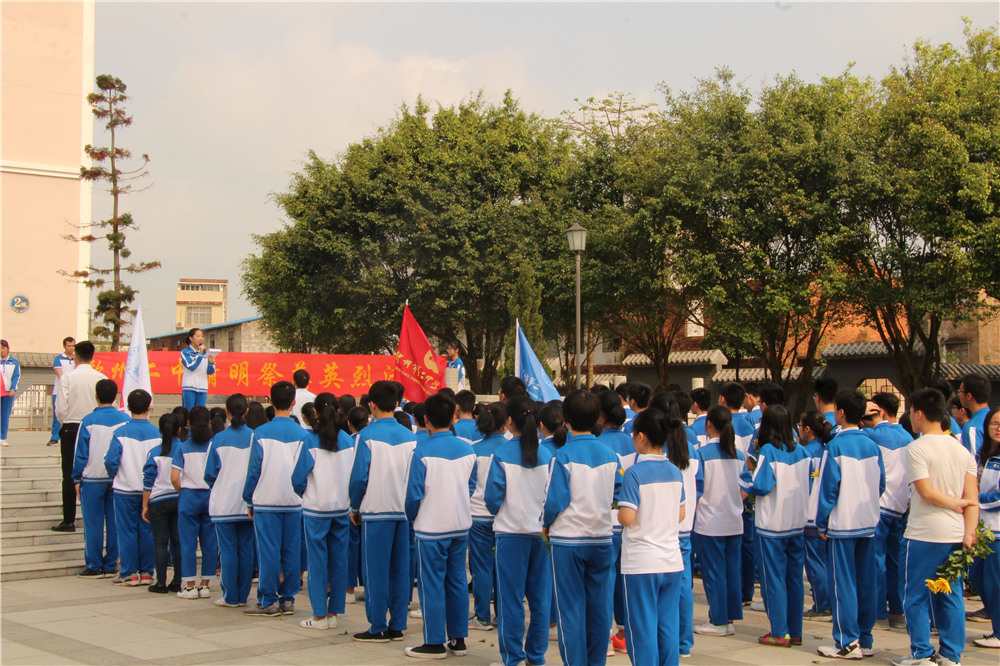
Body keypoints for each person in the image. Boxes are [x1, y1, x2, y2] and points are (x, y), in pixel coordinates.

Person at [890, 388, 979, 666]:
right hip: (954, 534)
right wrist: (969, 533)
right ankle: (951, 655)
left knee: (914, 596)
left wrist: (952, 503)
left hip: (924, 533)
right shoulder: (961, 449)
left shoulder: (917, 447)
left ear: (918, 413)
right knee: (949, 595)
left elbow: (925, 491)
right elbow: (972, 499)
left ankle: (922, 653)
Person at [544, 389, 621, 666]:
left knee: (571, 610)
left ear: (565, 419)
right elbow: (618, 492)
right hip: (601, 538)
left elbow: (554, 502)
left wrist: (545, 524)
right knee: (600, 608)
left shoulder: (562, 457)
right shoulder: (612, 456)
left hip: (568, 540)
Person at [403, 391, 476, 659]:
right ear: (454, 416)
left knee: (431, 583)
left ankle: (434, 642)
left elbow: (413, 496)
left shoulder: (420, 452)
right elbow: (471, 485)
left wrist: (412, 518)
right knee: (456, 580)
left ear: (426, 420)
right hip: (459, 525)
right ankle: (458, 639)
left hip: (431, 527)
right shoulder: (468, 449)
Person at [815, 389, 885, 660]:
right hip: (868, 522)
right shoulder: (872, 445)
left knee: (842, 583)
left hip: (842, 524)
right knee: (866, 581)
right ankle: (865, 638)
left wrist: (822, 522)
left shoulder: (834, 446)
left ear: (841, 413)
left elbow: (828, 490)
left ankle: (847, 641)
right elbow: (881, 484)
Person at [485, 395, 553, 666]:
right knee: (540, 599)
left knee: (510, 600)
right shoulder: (547, 454)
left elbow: (492, 498)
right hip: (540, 535)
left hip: (510, 534)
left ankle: (513, 657)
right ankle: (535, 656)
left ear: (509, 421)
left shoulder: (501, 454)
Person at [348, 379, 418, 642]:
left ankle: (377, 625)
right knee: (401, 570)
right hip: (403, 512)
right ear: (397, 404)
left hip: (376, 511)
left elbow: (358, 479)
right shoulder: (411, 438)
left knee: (375, 571)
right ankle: (398, 624)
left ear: (371, 405)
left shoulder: (365, 436)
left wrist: (355, 506)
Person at [619, 408, 686, 666]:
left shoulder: (635, 473)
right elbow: (680, 514)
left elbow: (627, 517)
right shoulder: (674, 471)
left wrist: (614, 515)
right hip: (671, 560)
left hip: (641, 563)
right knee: (667, 626)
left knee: (642, 628)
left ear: (641, 437)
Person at [739, 405, 810, 647]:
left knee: (773, 579)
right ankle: (795, 629)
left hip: (772, 524)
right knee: (794, 578)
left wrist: (745, 483)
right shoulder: (802, 451)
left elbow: (761, 486)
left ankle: (779, 631)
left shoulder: (768, 450)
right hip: (796, 522)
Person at [242, 381, 311, 617]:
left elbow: (253, 471)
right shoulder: (303, 434)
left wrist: (248, 499)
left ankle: (268, 599)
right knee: (291, 550)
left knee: (268, 551)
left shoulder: (260, 433)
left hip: (266, 500)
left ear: (270, 401)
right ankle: (288, 599)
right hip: (294, 503)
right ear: (293, 402)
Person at [299, 393, 356, 629]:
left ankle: (319, 615)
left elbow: (297, 478)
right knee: (339, 560)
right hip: (341, 509)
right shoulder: (349, 441)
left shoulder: (310, 440)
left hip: (316, 509)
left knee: (318, 562)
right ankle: (333, 613)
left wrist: (306, 492)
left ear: (316, 413)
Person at [693, 405, 746, 637]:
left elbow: (698, 488)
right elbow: (747, 487)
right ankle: (729, 619)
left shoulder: (702, 453)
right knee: (732, 571)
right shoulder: (739, 455)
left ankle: (718, 620)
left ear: (708, 424)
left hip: (710, 521)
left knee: (714, 573)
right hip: (734, 520)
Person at [864, 392, 913, 628]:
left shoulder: (872, 435)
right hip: (901, 507)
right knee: (895, 562)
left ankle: (877, 611)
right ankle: (897, 610)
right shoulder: (908, 437)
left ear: (879, 411)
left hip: (880, 507)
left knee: (876, 561)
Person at [72, 379, 130, 578]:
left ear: (96, 396)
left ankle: (94, 564)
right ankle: (112, 562)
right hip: (117, 479)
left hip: (92, 477)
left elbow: (80, 453)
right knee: (114, 522)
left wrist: (76, 478)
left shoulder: (87, 421)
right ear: (115, 397)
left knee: (93, 523)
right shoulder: (125, 420)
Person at [204, 393, 255, 608]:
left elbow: (209, 474)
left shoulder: (218, 440)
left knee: (227, 552)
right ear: (246, 411)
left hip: (224, 504)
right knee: (246, 550)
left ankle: (230, 596)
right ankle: (242, 596)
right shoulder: (255, 437)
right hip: (248, 506)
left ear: (227, 412)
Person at [104, 389, 159, 586]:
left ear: (127, 407)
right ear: (149, 407)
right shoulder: (156, 433)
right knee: (147, 530)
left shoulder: (120, 433)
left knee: (126, 531)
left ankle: (129, 572)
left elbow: (111, 461)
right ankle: (146, 572)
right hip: (150, 491)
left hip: (125, 489)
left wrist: (117, 475)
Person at [598, 389, 636, 654]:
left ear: (600, 414)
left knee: (604, 578)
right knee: (624, 578)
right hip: (630, 521)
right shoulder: (634, 442)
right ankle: (623, 633)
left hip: (606, 521)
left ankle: (605, 636)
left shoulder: (598, 444)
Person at [55, 340, 107, 532]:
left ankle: (68, 520)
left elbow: (60, 408)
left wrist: (64, 422)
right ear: (93, 356)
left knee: (68, 473)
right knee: (92, 472)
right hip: (95, 426)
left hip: (72, 426)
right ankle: (94, 519)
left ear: (75, 355)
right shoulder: (101, 377)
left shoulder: (68, 378)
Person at [172, 406, 218, 599]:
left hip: (189, 496)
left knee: (188, 543)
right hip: (209, 495)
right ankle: (205, 585)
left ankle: (189, 585)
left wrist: (182, 490)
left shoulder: (182, 447)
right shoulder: (214, 446)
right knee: (209, 543)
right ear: (209, 423)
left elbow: (175, 477)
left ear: (188, 424)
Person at [469, 402, 506, 632]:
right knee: (502, 568)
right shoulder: (511, 449)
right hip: (503, 517)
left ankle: (482, 616)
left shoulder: (473, 449)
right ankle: (501, 615)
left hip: (477, 516)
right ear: (505, 424)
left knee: (481, 567)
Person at [970, 407, 1000, 649]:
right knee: (977, 577)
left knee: (994, 583)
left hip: (997, 531)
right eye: (994, 423)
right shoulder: (983, 455)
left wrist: (974, 499)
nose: (998, 428)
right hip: (980, 529)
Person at [800, 410, 834, 621]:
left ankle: (822, 604)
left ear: (808, 429)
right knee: (827, 562)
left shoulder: (807, 453)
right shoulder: (828, 450)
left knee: (815, 563)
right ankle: (829, 601)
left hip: (811, 514)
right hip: (828, 513)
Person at [142, 413, 182, 593]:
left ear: (160, 430)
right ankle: (178, 581)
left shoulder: (154, 452)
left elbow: (148, 480)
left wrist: (145, 505)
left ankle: (160, 582)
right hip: (178, 498)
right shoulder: (184, 449)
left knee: (160, 542)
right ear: (179, 430)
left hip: (158, 500)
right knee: (177, 542)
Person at [180, 327, 216, 409]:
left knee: (200, 414)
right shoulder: (185, 352)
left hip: (202, 387)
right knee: (189, 413)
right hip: (189, 387)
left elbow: (210, 371)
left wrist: (211, 362)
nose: (200, 339)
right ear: (191, 338)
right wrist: (200, 354)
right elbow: (191, 366)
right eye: (198, 336)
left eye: (202, 336)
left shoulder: (205, 353)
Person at [48, 336, 75, 445]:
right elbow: (60, 375)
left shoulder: (76, 359)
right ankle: (55, 437)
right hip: (59, 392)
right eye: (69, 346)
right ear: (64, 346)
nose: (71, 348)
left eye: (73, 346)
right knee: (58, 414)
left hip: (73, 391)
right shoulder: (58, 358)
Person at [959, 372, 991, 456]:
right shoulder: (994, 418)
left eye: (960, 391)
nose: (959, 394)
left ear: (969, 396)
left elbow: (972, 464)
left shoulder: (972, 428)